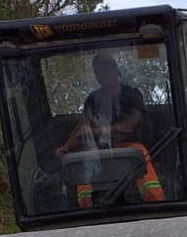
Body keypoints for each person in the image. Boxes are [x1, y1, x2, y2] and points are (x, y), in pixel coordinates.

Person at [54, 53, 165, 207]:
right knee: (86, 161)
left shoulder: (132, 95)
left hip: (127, 147)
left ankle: (157, 204)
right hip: (100, 150)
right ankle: (85, 210)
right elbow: (82, 126)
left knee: (140, 153)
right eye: (97, 72)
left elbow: (129, 124)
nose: (101, 75)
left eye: (105, 70)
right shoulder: (92, 100)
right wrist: (66, 147)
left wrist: (96, 131)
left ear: (114, 70)